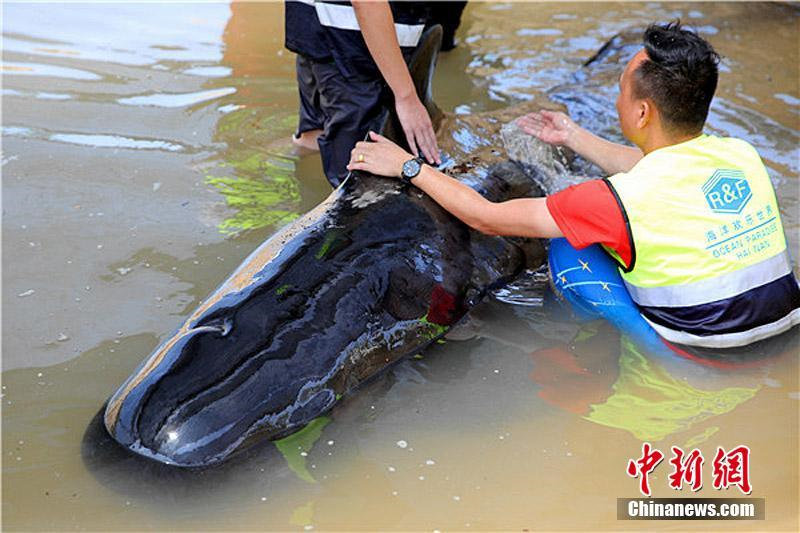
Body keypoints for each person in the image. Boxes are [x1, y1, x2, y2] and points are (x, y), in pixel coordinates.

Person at [345, 21, 800, 353]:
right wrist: (573, 136)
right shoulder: (739, 153)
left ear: (642, 113)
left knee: (567, 248)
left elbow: (485, 216)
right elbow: (653, 164)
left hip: (700, 356)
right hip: (784, 327)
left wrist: (408, 167)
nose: (617, 99)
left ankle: (607, 343)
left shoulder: (611, 200)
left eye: (622, 91)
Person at [285, 0, 460, 187]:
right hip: (356, 41)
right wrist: (407, 97)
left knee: (314, 134)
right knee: (359, 178)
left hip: (314, 20)